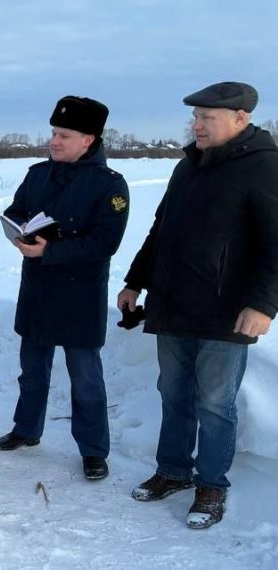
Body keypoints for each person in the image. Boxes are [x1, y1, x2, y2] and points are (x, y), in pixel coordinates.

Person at [119, 81, 278, 529]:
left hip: (226, 310)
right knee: (173, 394)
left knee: (214, 402)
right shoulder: (187, 166)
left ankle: (212, 485)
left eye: (208, 117)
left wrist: (264, 304)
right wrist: (136, 281)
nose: (197, 125)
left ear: (241, 119)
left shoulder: (264, 167)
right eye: (196, 116)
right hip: (173, 303)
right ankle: (172, 471)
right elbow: (159, 230)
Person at [0, 96, 130, 482]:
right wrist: (17, 232)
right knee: (32, 370)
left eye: (64, 135)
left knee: (85, 378)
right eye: (54, 132)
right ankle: (26, 430)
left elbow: (105, 243)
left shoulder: (110, 186)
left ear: (89, 140)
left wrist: (50, 250)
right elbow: (17, 209)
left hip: (79, 296)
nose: (54, 141)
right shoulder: (38, 174)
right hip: (37, 290)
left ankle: (93, 451)